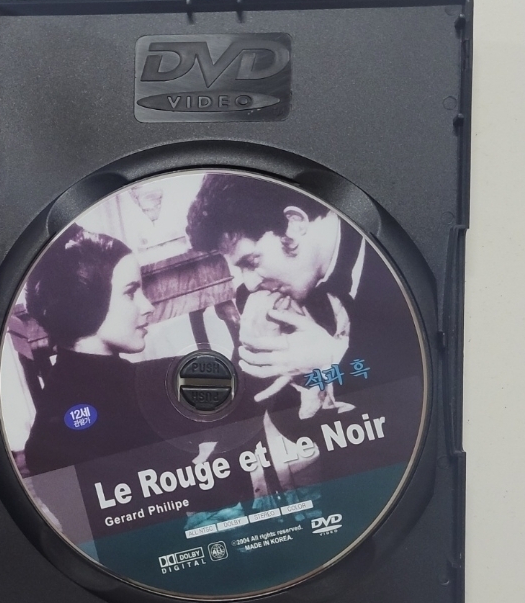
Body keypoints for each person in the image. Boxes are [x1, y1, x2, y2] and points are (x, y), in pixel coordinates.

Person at [186, 172, 424, 484]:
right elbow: (290, 421)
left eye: (251, 261)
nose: (249, 283)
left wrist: (334, 358)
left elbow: (426, 400)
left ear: (294, 224)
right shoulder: (265, 296)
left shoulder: (404, 266)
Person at [21, 225, 159, 475]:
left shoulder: (64, 389)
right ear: (85, 303)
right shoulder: (58, 426)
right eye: (130, 293)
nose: (148, 305)